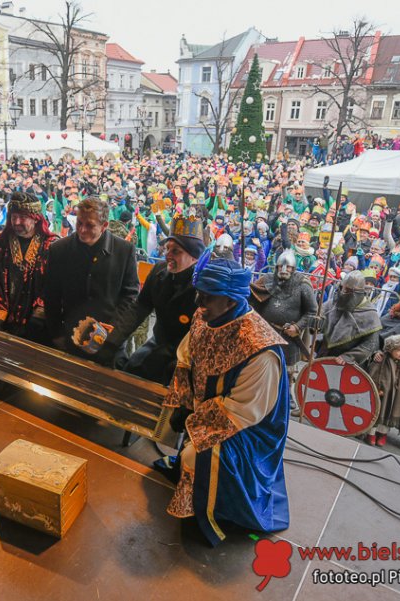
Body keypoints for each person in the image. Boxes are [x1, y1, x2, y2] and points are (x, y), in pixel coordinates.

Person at [163, 247, 290, 546]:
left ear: (232, 299)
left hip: (248, 430)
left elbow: (246, 409)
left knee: (199, 455)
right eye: (199, 293)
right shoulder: (208, 314)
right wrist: (183, 403)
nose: (198, 303)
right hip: (208, 411)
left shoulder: (261, 349)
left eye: (207, 296)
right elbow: (188, 352)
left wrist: (195, 421)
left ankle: (209, 512)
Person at [97, 215, 205, 384]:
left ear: (194, 257)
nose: (167, 255)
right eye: (168, 248)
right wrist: (113, 342)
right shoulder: (158, 271)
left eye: (176, 251)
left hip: (189, 354)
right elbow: (139, 308)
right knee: (130, 372)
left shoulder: (204, 287)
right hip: (158, 342)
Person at [43, 197, 139, 354]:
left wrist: (113, 332)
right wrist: (57, 334)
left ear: (104, 226)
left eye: (90, 225)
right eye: (80, 223)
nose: (82, 230)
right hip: (70, 336)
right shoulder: (59, 249)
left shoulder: (125, 250)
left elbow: (130, 296)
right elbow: (51, 295)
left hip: (109, 339)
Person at [0, 192, 57, 340]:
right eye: (13, 217)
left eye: (22, 218)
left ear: (35, 219)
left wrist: (41, 311)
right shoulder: (0, 245)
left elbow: (54, 285)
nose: (16, 222)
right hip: (3, 323)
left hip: (38, 324)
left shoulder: (51, 246)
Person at [250, 250, 318, 372]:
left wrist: (297, 327)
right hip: (265, 335)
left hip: (288, 337)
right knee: (262, 368)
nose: (284, 269)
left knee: (285, 372)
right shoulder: (266, 280)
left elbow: (312, 312)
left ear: (294, 268)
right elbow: (252, 302)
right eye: (281, 266)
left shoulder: (302, 285)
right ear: (276, 267)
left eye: (289, 267)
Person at [319, 270, 383, 365]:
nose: (342, 292)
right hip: (325, 353)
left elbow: (370, 344)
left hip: (349, 363)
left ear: (358, 292)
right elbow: (318, 317)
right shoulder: (333, 303)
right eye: (341, 288)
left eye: (348, 290)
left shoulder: (370, 315)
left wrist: (349, 356)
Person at [366, 334, 400, 447]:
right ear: (390, 349)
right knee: (379, 411)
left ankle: (383, 433)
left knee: (390, 411)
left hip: (396, 394)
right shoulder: (382, 360)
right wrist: (377, 388)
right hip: (383, 392)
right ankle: (371, 433)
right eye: (398, 350)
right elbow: (374, 373)